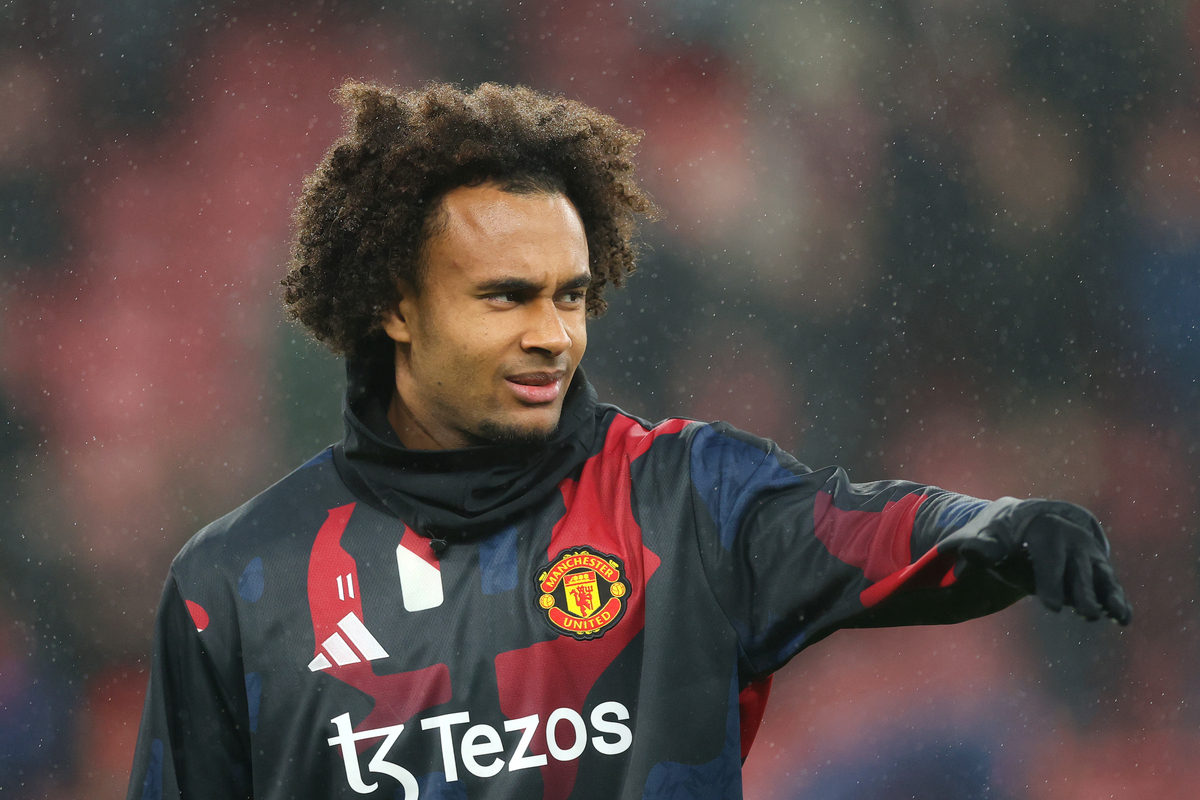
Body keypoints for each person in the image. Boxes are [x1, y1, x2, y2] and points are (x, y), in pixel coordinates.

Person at [126, 81, 1131, 800]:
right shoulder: (235, 586)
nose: (552, 334)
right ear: (393, 306)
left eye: (571, 295)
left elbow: (855, 530)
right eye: (505, 297)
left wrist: (993, 528)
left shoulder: (681, 497)